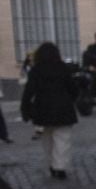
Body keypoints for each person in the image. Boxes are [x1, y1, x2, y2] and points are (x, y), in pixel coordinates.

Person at [19, 42, 81, 179]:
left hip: (43, 108)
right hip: (63, 107)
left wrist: (25, 109)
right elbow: (72, 87)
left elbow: (29, 91)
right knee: (63, 139)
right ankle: (60, 166)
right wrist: (72, 99)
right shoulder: (62, 68)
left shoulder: (36, 70)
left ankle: (52, 164)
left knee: (47, 139)